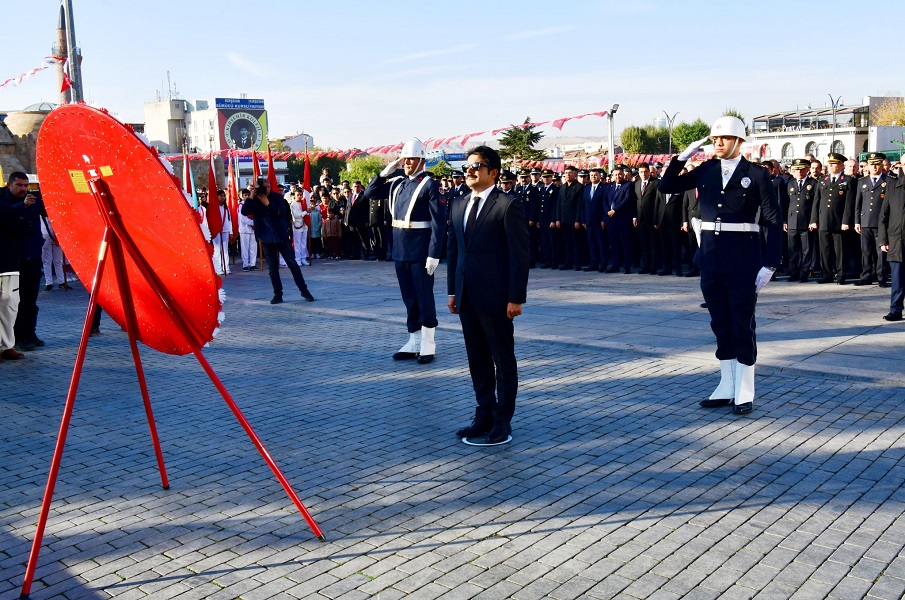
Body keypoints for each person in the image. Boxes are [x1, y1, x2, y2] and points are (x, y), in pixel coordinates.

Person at [659, 116, 782, 415]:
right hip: (712, 256)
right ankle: (726, 385)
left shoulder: (757, 174)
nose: (718, 143)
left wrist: (770, 265)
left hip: (743, 259)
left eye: (724, 139)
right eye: (715, 139)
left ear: (739, 141)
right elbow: (666, 186)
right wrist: (683, 157)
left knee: (742, 323)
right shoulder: (706, 170)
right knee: (720, 323)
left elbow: (774, 222)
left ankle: (745, 390)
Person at [447, 146, 529, 446]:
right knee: (477, 358)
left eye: (476, 166)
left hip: (496, 297)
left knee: (501, 358)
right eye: (467, 167)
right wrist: (453, 290)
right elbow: (454, 250)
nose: (469, 171)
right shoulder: (458, 204)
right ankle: (483, 413)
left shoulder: (507, 205)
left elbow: (520, 255)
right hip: (467, 296)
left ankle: (502, 420)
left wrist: (515, 297)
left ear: (493, 172)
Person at [364, 138, 445, 364]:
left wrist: (434, 254)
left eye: (411, 159)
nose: (407, 162)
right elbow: (370, 193)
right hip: (400, 250)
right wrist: (385, 172)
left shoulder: (430, 185)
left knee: (424, 297)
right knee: (409, 297)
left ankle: (428, 343)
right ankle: (414, 340)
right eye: (405, 159)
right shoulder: (398, 183)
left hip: (420, 252)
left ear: (421, 160)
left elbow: (438, 223)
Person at [240, 182, 314, 304]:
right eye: (261, 188)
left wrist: (268, 204)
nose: (264, 190)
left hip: (281, 236)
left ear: (269, 187)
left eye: (266, 187)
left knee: (292, 264)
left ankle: (304, 291)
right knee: (273, 268)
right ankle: (277, 294)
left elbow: (281, 213)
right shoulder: (255, 199)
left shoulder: (278, 197)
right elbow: (244, 212)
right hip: (266, 237)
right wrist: (251, 197)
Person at [0, 172, 33, 361]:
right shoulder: (3, 200)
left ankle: (7, 346)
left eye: (25, 185)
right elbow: (5, 212)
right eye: (19, 185)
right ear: (9, 185)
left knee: (10, 307)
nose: (23, 189)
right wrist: (22, 207)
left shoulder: (30, 202)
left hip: (12, 262)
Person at [810, 153, 853, 284]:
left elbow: (849, 203)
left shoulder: (848, 180)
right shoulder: (823, 180)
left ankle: (840, 275)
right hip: (824, 220)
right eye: (830, 163)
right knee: (825, 250)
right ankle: (826, 274)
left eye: (834, 164)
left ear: (841, 165)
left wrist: (846, 221)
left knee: (840, 250)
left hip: (839, 221)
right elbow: (816, 202)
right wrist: (814, 219)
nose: (831, 166)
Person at [853, 153, 890, 287]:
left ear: (881, 165)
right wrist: (857, 221)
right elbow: (858, 203)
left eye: (877, 164)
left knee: (881, 252)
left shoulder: (889, 181)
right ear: (868, 166)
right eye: (872, 164)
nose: (874, 166)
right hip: (865, 221)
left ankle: (882, 277)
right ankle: (866, 275)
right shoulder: (862, 182)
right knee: (866, 251)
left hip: (881, 223)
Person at [784, 159, 817, 282]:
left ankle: (804, 273)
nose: (799, 171)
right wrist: (784, 221)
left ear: (807, 169)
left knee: (806, 250)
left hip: (806, 221)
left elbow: (815, 204)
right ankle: (794, 272)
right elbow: (785, 204)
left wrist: (813, 220)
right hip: (792, 221)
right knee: (792, 249)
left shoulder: (813, 183)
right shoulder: (790, 184)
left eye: (801, 169)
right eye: (796, 169)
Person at [879, 164, 904, 321]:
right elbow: (883, 216)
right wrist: (883, 239)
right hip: (896, 240)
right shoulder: (893, 187)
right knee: (897, 279)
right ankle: (895, 309)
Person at [40, 211, 67, 290]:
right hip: (45, 235)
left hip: (55, 236)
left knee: (57, 260)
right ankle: (49, 283)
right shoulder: (41, 212)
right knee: (47, 261)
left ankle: (61, 282)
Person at [211, 190, 233, 275]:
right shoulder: (213, 208)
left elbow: (229, 220)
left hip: (225, 230)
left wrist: (231, 232)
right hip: (216, 231)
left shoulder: (226, 208)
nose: (222, 197)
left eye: (224, 196)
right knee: (217, 250)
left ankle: (226, 267)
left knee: (225, 250)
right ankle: (218, 268)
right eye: (220, 195)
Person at [237, 189, 258, 271]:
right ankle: (245, 264)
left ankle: (252, 264)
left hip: (253, 230)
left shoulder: (252, 204)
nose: (247, 196)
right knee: (245, 247)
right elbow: (243, 219)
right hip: (245, 229)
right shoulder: (241, 205)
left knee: (253, 247)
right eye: (245, 195)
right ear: (241, 196)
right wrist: (254, 223)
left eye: (248, 195)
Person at [289, 190, 310, 266]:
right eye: (298, 195)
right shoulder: (293, 204)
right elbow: (296, 215)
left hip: (304, 225)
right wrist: (305, 212)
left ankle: (303, 258)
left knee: (304, 243)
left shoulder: (303, 203)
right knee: (297, 243)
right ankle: (297, 259)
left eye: (301, 195)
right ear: (294, 195)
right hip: (297, 225)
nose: (300, 196)